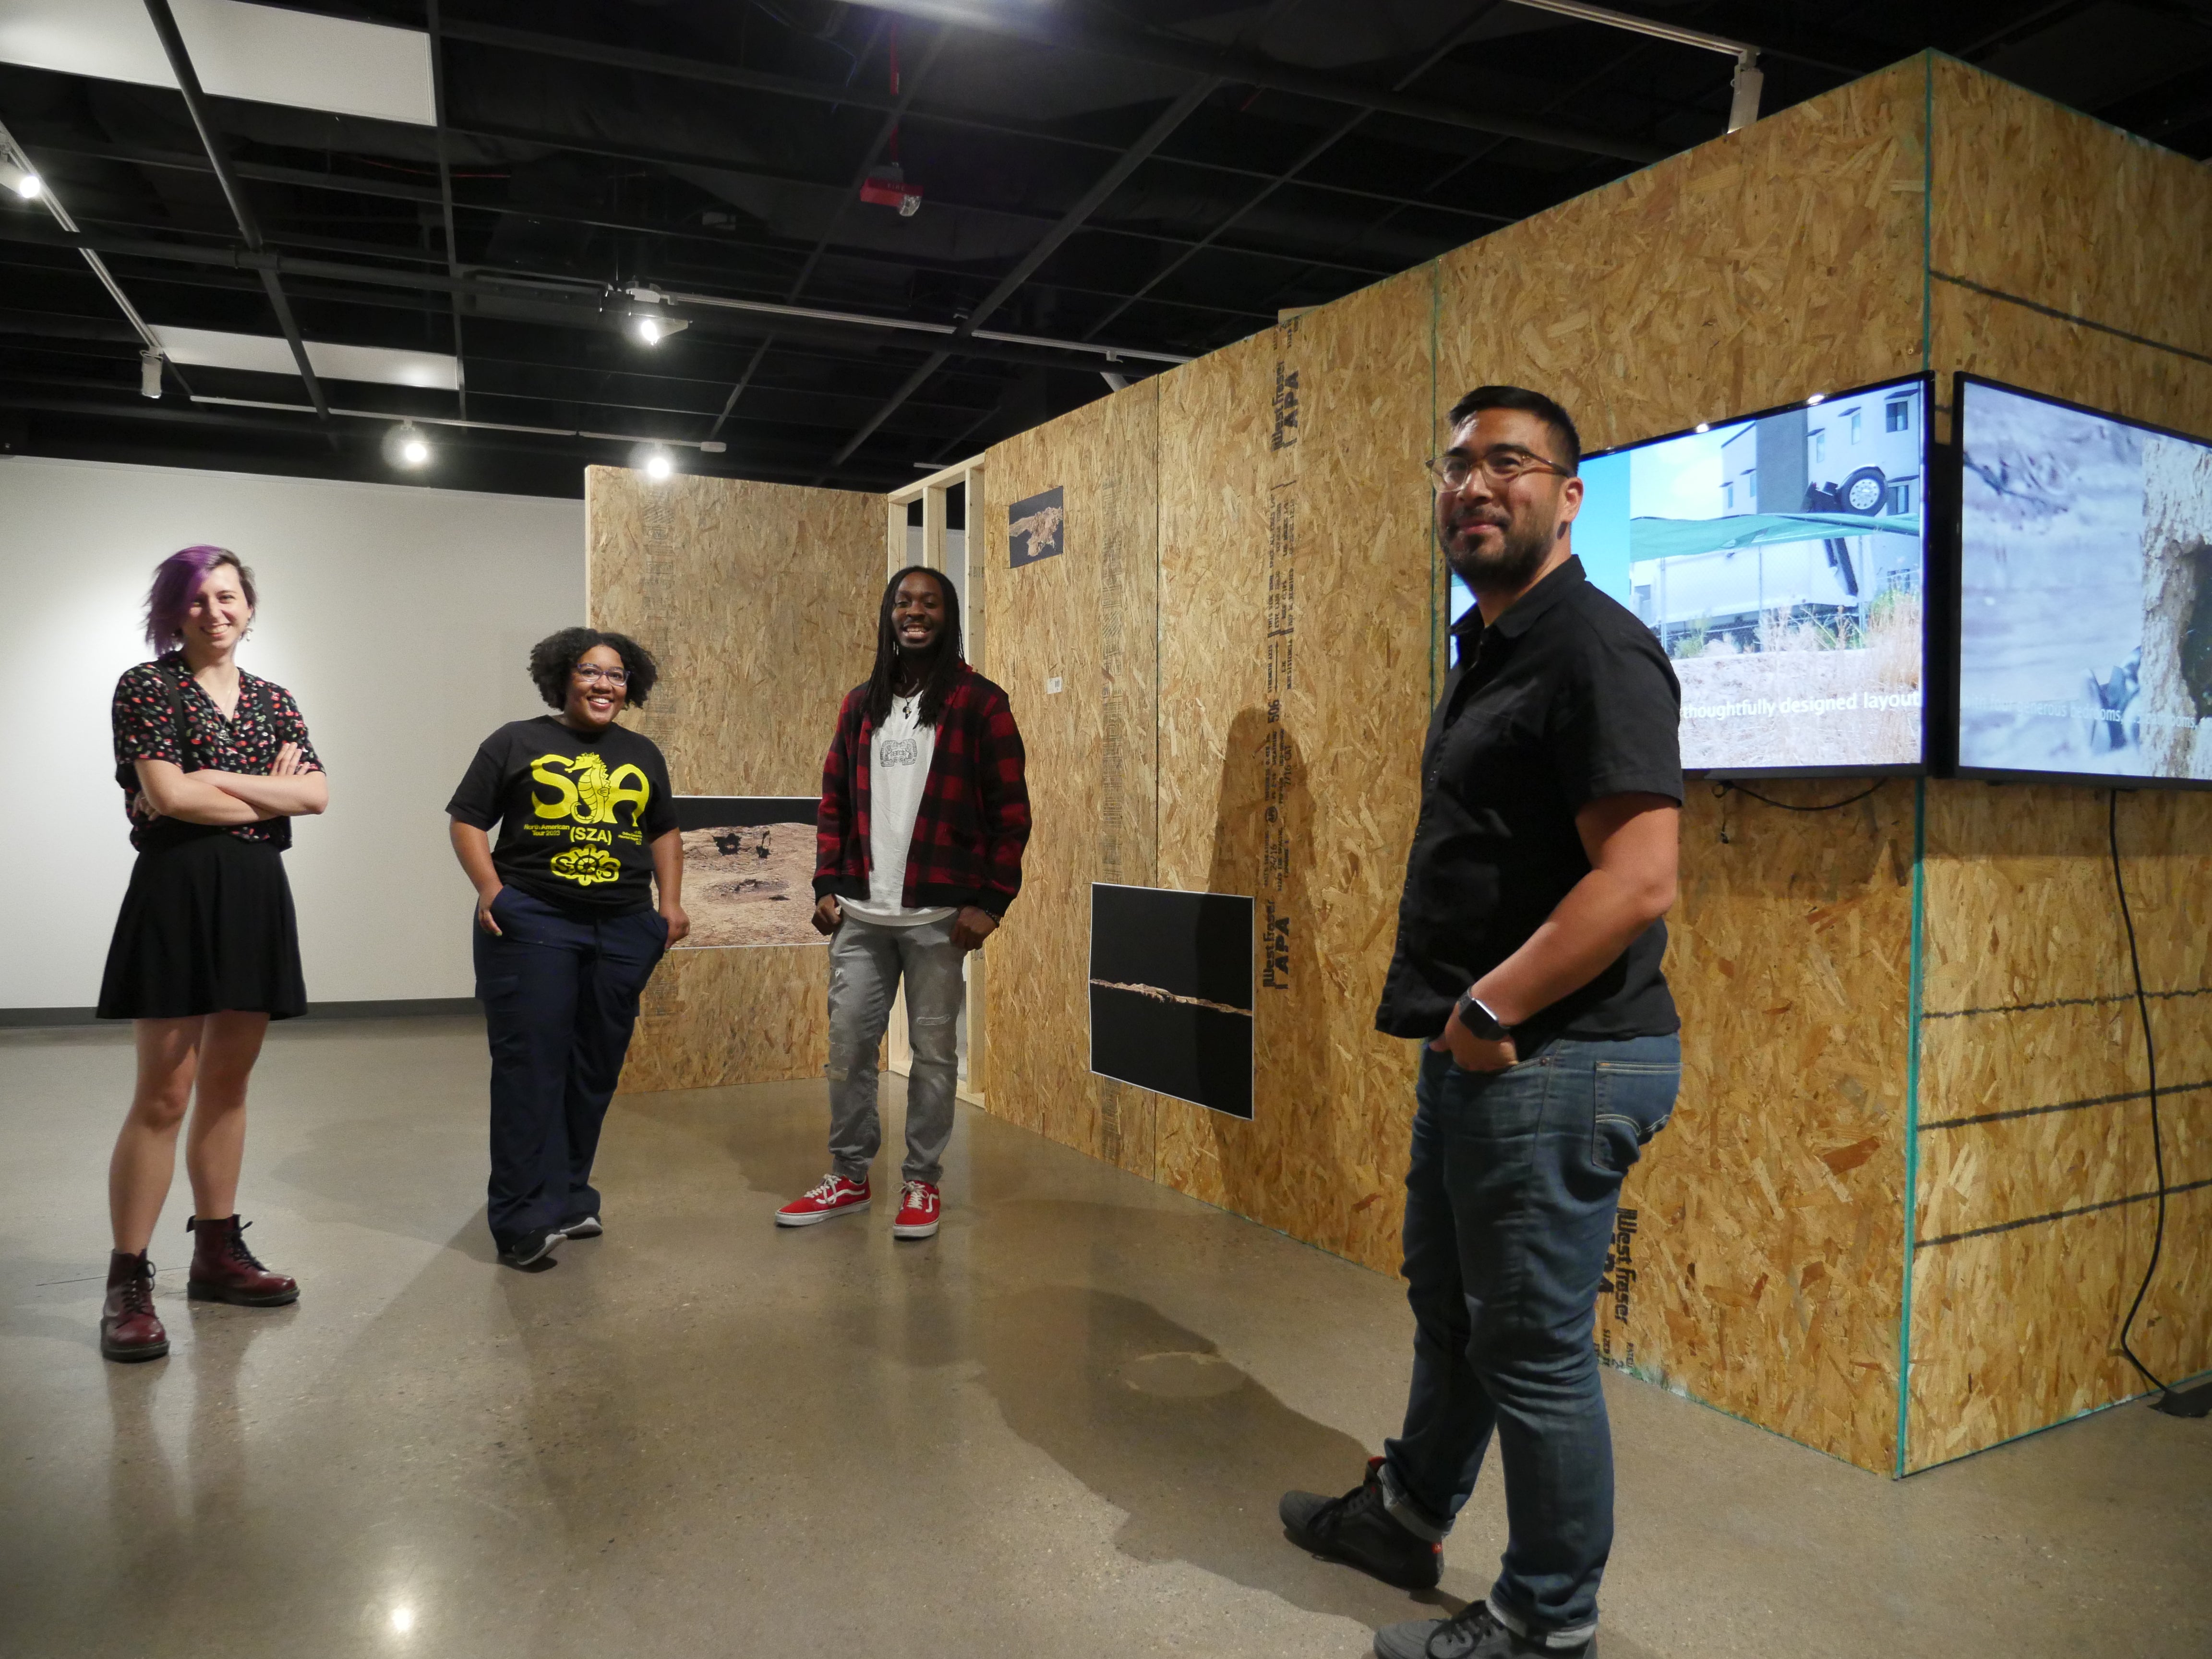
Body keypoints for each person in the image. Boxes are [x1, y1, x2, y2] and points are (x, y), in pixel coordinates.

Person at [1279, 388, 1683, 1659]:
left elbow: (1640, 879)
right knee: (1454, 1315)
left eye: (1508, 462)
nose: (1473, 484)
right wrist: (1467, 1025)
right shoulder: (1495, 646)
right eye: (1456, 464)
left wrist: (1492, 1008)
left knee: (1535, 1356)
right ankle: (1407, 1516)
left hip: (1554, 1059)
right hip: (1484, 1052)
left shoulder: (1595, 650)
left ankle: (1547, 1625)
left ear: (1568, 496)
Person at [97, 546, 330, 1363]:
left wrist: (212, 779)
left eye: (227, 596)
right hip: (177, 893)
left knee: (228, 1086)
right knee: (165, 1093)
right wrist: (258, 787)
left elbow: (315, 794)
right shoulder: (147, 686)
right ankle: (128, 1282)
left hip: (257, 897)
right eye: (196, 599)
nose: (214, 610)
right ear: (173, 610)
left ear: (250, 606)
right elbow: (166, 795)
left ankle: (217, 1253)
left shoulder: (275, 698)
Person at [778, 565, 1029, 1240]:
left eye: (929, 603)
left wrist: (993, 902)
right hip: (861, 915)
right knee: (850, 1050)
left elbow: (1012, 814)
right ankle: (850, 1177)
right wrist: (827, 883)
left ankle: (921, 1184)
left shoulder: (981, 703)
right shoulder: (862, 704)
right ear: (889, 615)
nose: (915, 612)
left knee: (934, 1055)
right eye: (903, 602)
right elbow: (833, 803)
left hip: (937, 920)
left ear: (947, 616)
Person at [445, 628, 688, 1271]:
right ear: (562, 679)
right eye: (589, 672)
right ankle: (522, 1220)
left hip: (622, 928)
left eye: (616, 675)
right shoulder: (515, 741)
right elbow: (468, 820)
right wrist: (493, 892)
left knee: (592, 1069)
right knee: (532, 1071)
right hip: (536, 922)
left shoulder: (643, 753)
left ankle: (571, 1195)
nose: (603, 684)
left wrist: (670, 904)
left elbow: (662, 828)